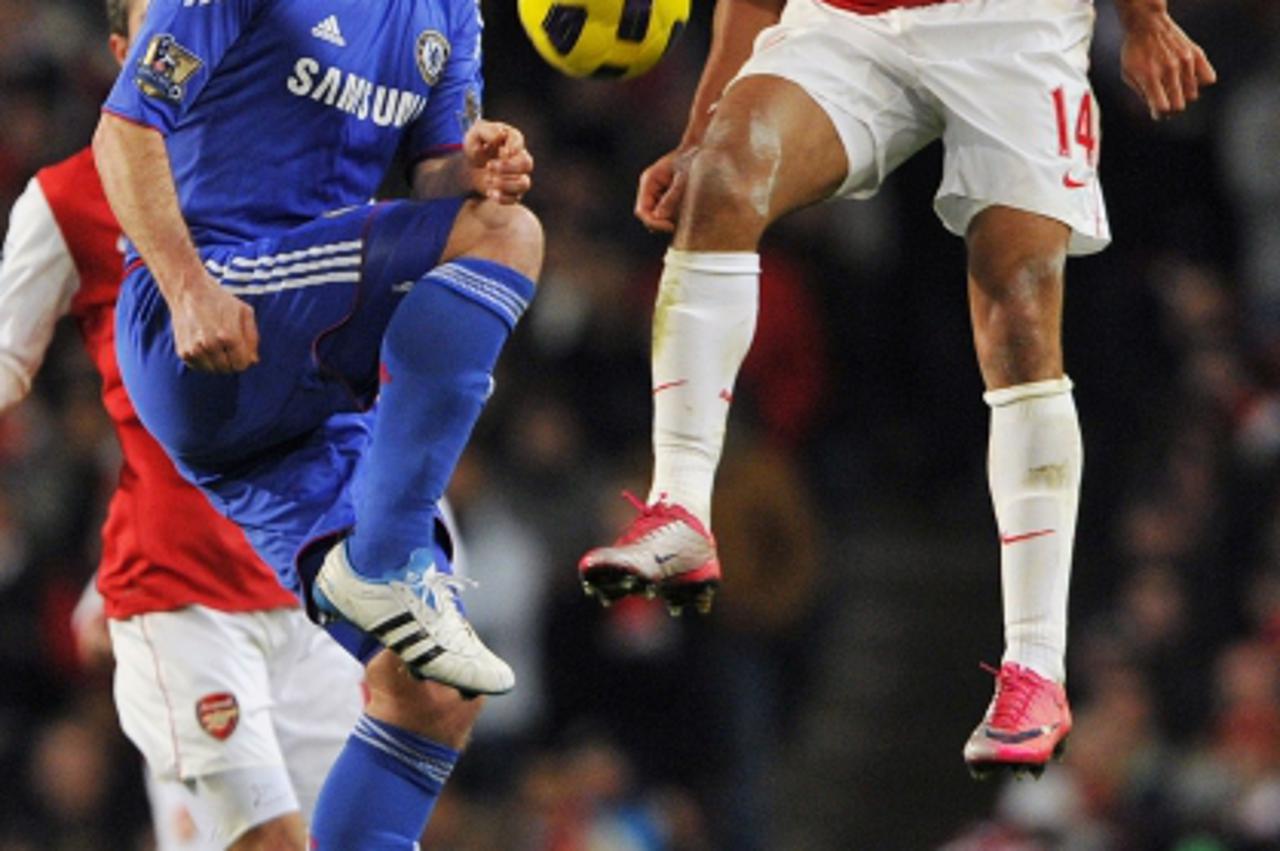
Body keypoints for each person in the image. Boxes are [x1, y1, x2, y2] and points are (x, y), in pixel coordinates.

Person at [579, 0, 1215, 778]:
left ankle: (1036, 668)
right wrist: (691, 140)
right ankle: (679, 507)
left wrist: (1145, 19)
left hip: (1009, 23)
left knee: (1017, 310)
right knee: (724, 172)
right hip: (850, 22)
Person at [91, 0, 542, 846]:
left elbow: (440, 178)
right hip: (209, 309)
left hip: (301, 380)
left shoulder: (452, 11)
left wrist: (480, 163)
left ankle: (388, 565)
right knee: (507, 239)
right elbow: (122, 130)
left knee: (431, 690)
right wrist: (188, 285)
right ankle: (391, 557)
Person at [0, 0, 369, 847]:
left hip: (316, 588)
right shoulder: (65, 200)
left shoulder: (313, 167)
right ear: (127, 51)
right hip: (181, 593)